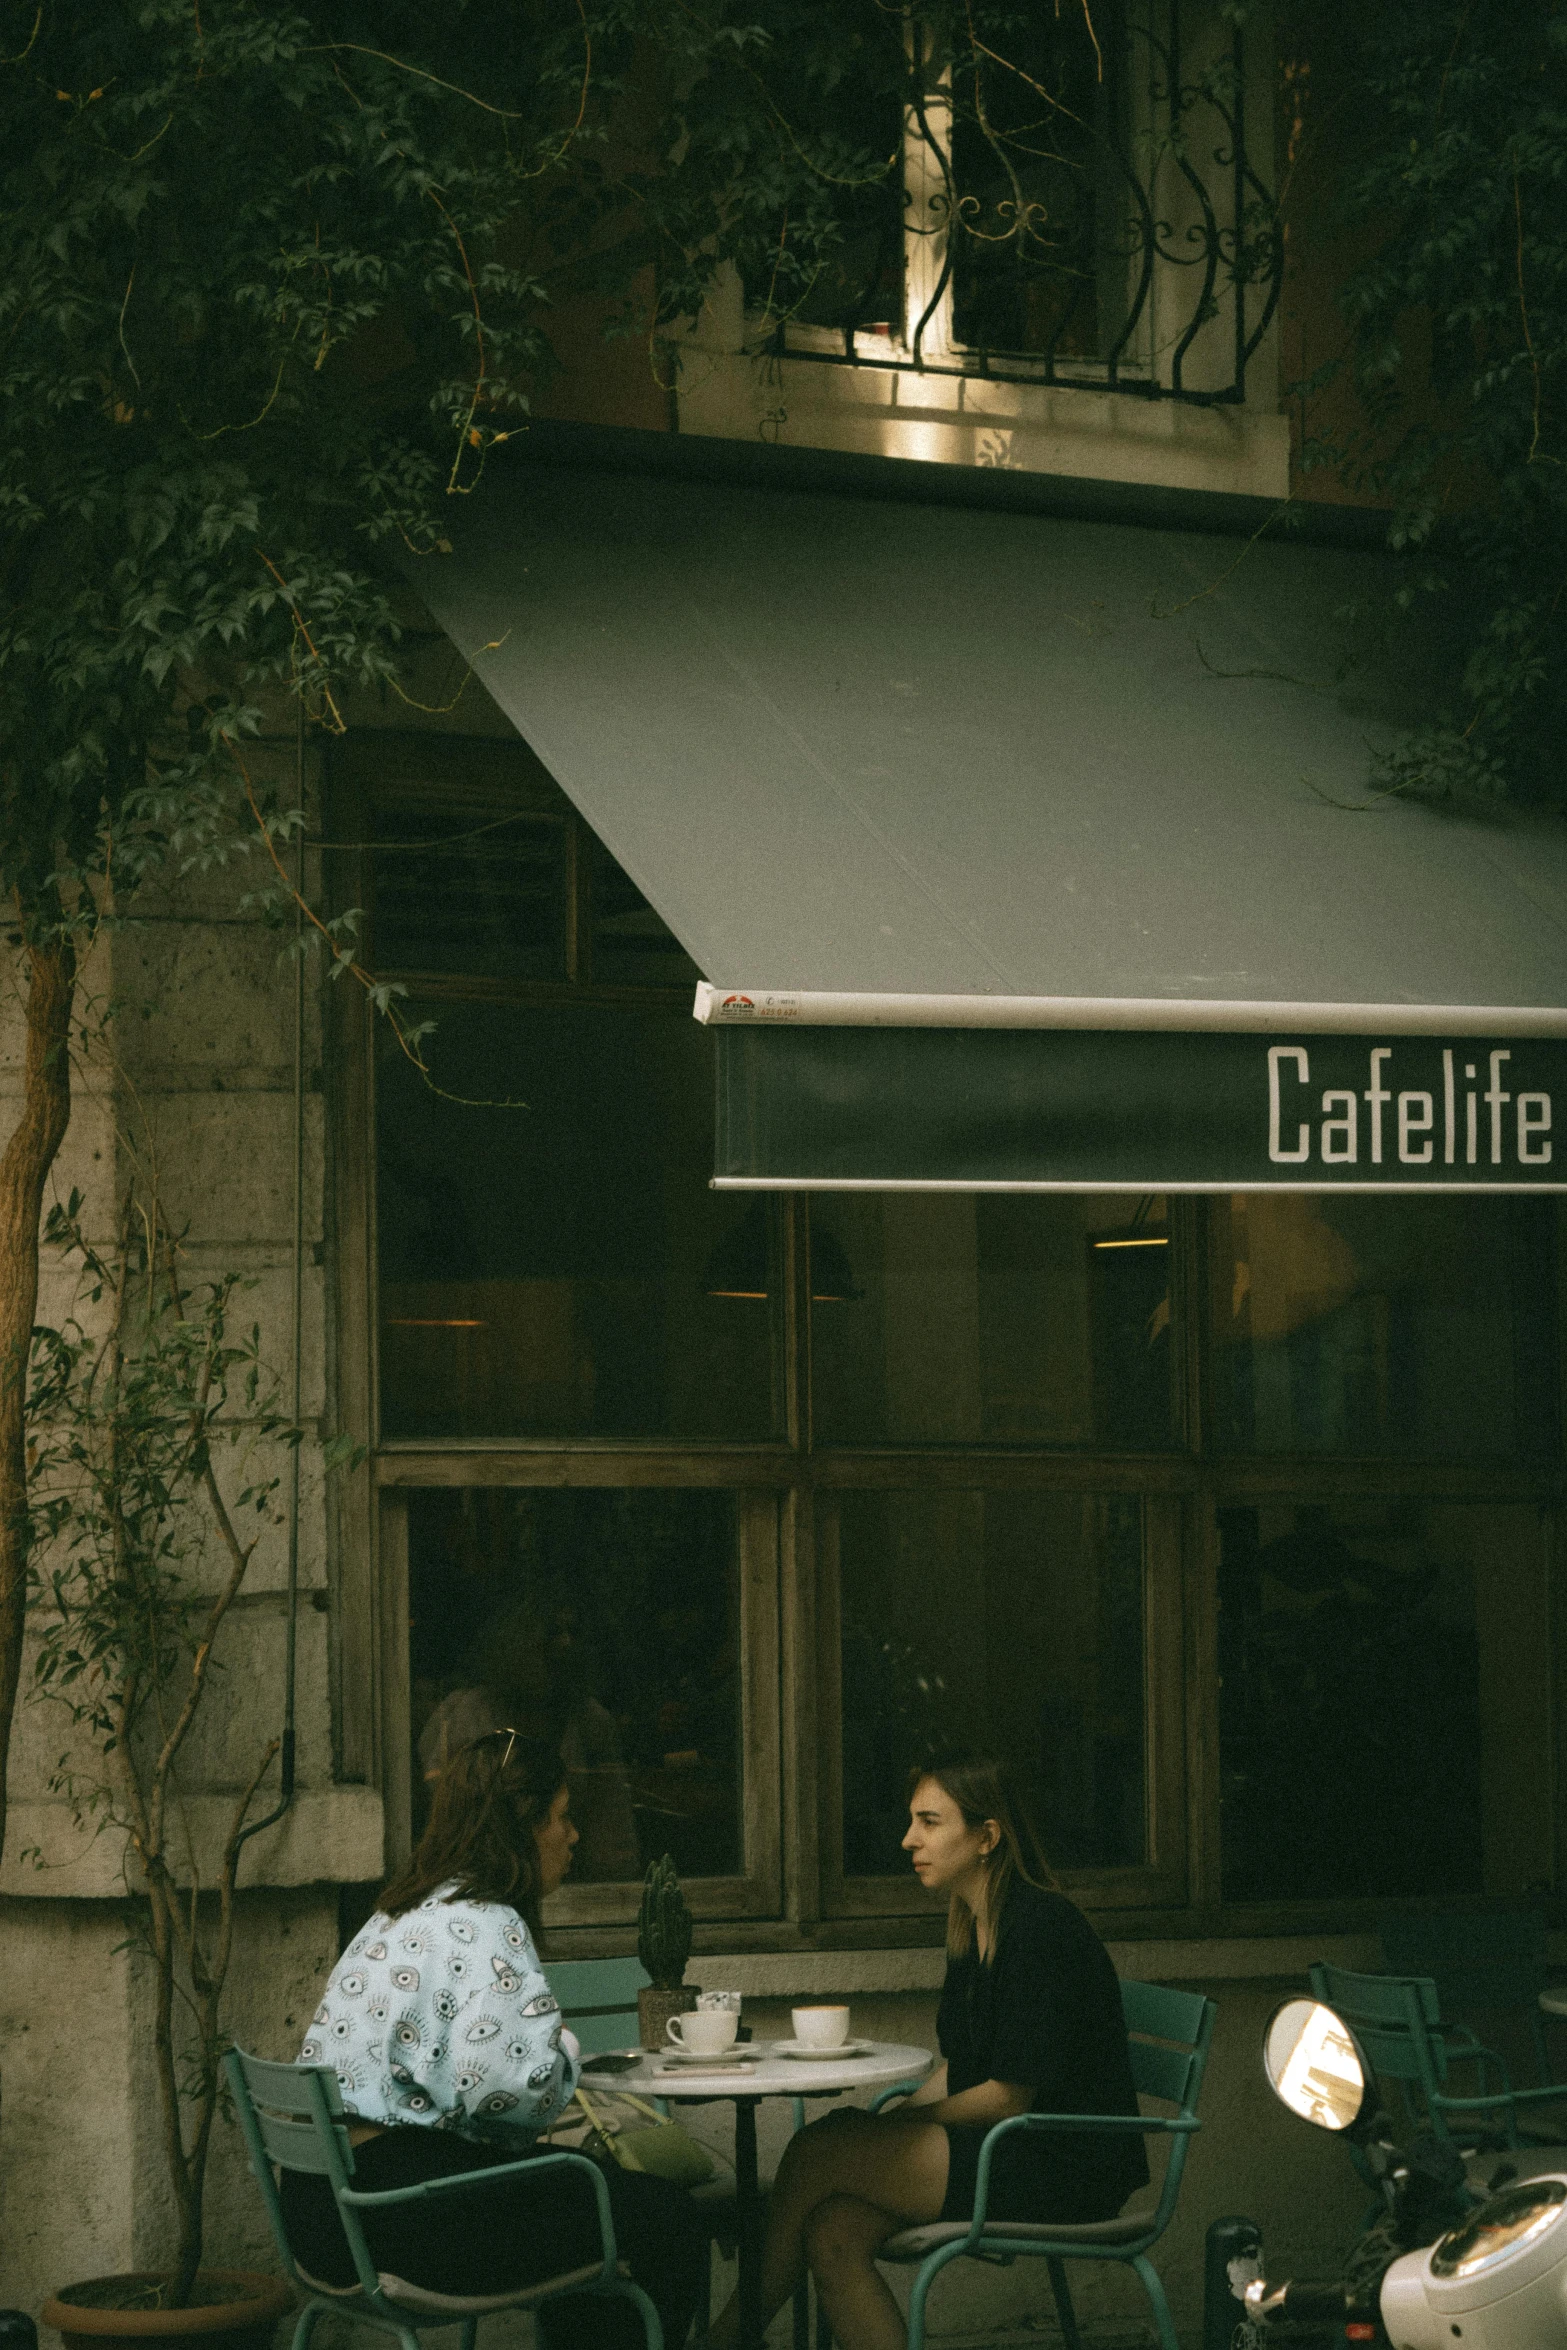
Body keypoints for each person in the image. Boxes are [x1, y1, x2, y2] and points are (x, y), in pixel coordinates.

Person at [707, 1749, 1146, 2350]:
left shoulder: (1042, 1928)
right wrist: (893, 2120)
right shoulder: (972, 1924)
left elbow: (1006, 2096)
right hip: (1005, 2146)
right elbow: (962, 2069)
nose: (909, 1839)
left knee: (818, 2149)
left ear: (987, 1835)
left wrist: (896, 2126)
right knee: (833, 2231)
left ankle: (723, 2340)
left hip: (1061, 2163)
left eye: (930, 1822)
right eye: (912, 1821)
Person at [281, 1730, 706, 2350]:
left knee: (584, 2189)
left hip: (319, 2216)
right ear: (521, 1824)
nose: (574, 1836)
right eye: (562, 1817)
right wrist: (562, 2048)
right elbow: (512, 2092)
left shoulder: (400, 1911)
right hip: (398, 2223)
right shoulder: (488, 1920)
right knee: (663, 2216)